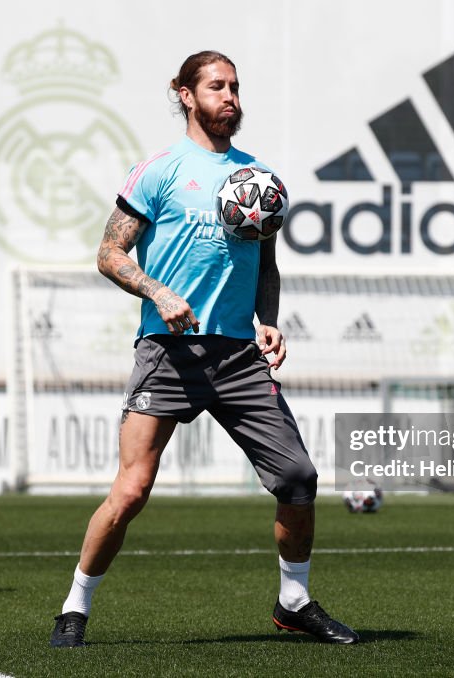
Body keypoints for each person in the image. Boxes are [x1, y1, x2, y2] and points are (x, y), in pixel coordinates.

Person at [50, 50, 359, 648]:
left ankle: (293, 601)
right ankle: (75, 605)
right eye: (217, 86)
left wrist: (267, 320)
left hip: (240, 356)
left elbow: (266, 265)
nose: (230, 98)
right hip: (169, 351)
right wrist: (159, 292)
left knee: (298, 477)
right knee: (132, 489)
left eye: (236, 87)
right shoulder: (159, 170)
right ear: (185, 95)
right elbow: (108, 254)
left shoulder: (258, 180)